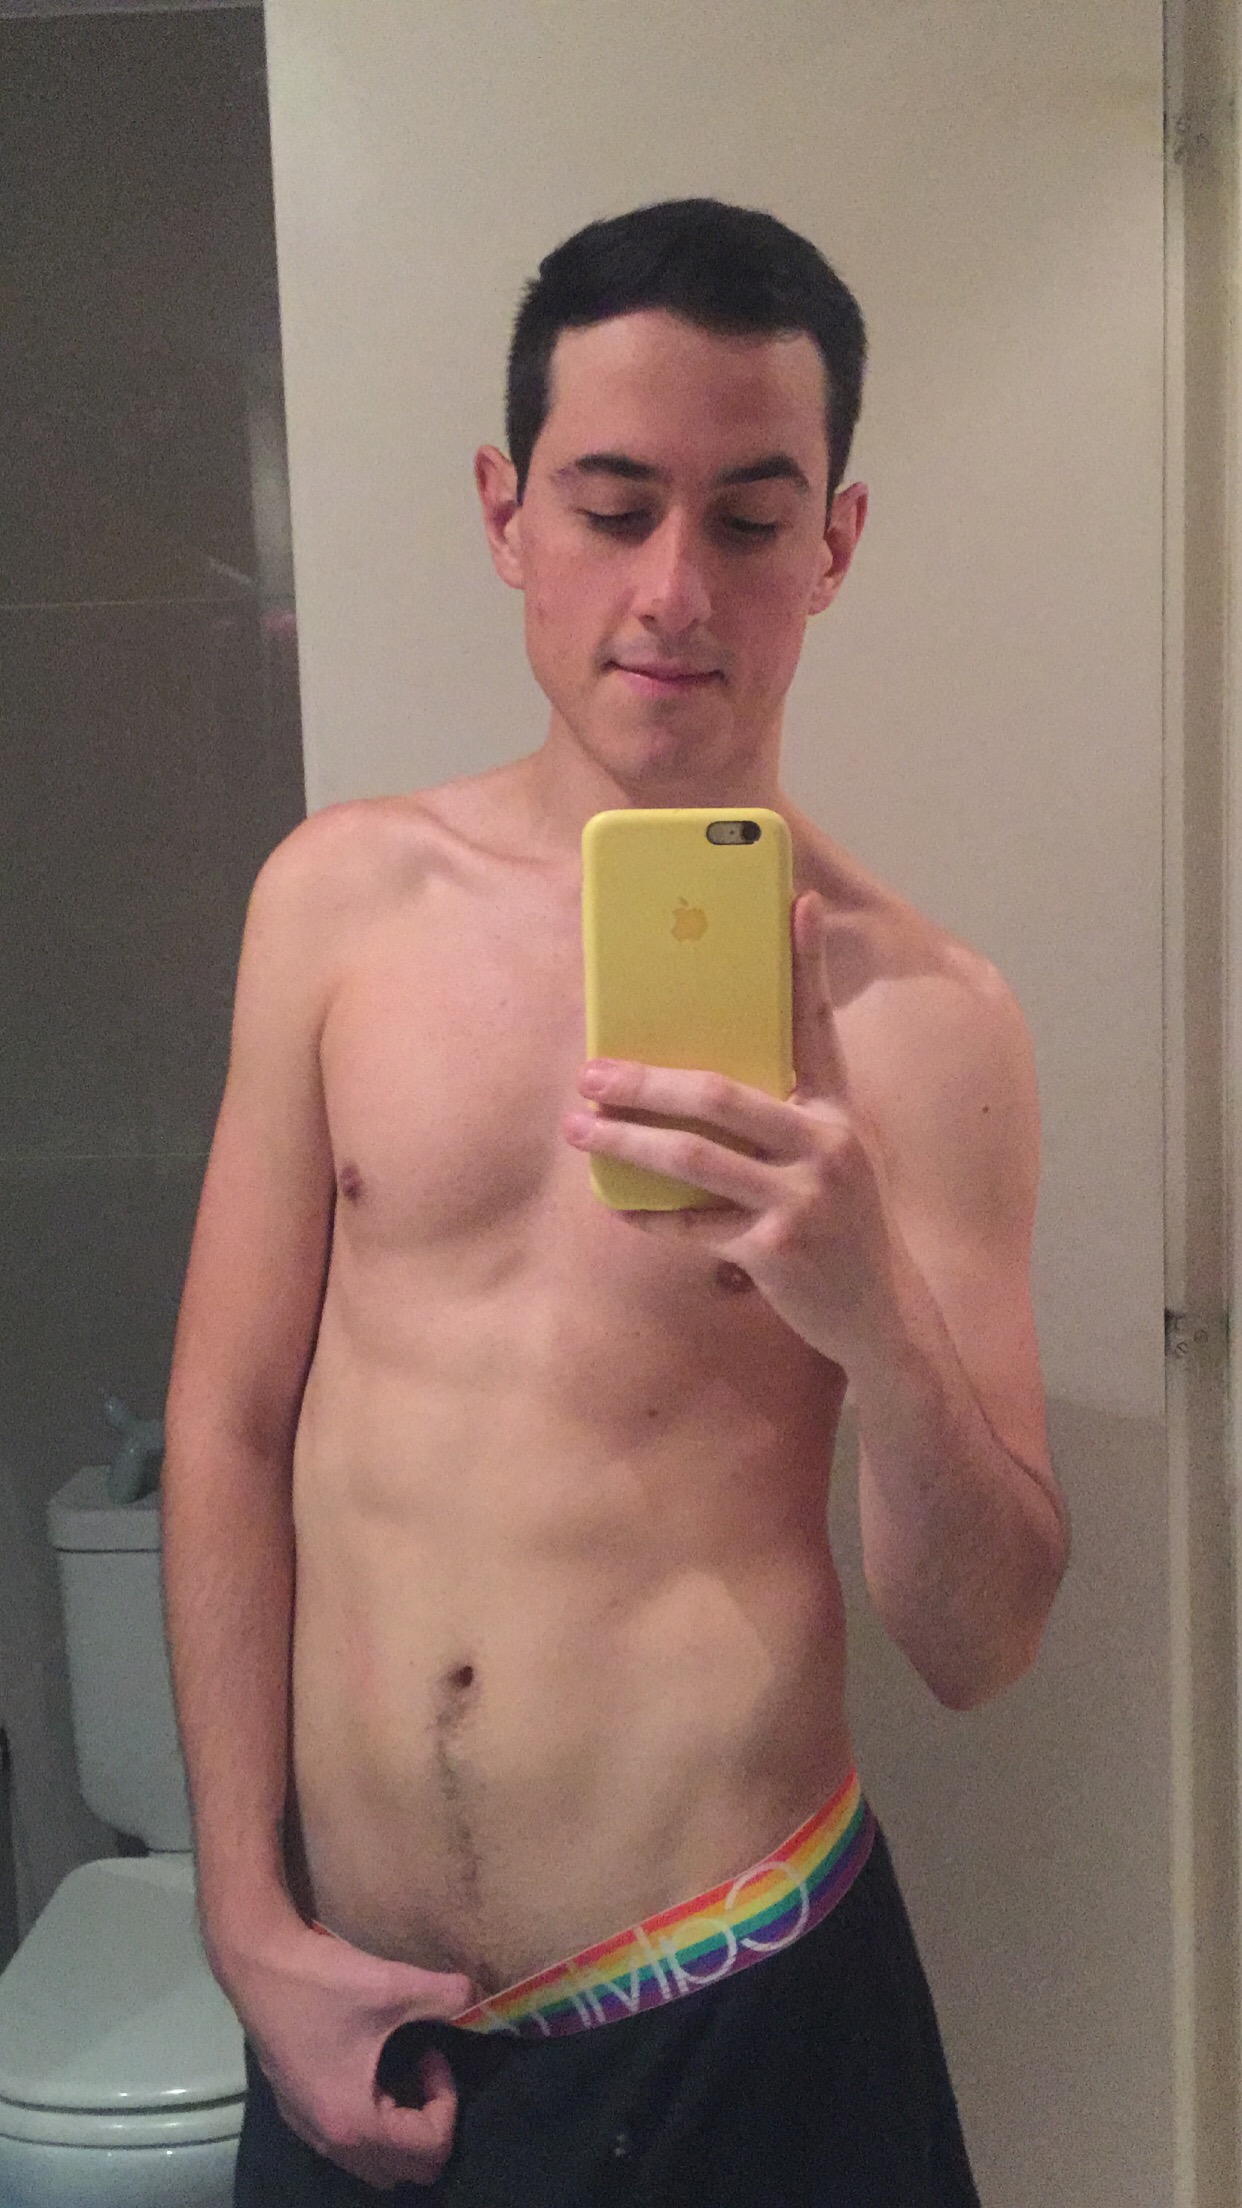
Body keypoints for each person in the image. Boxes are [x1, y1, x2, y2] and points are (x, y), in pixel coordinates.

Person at [163, 198, 1068, 2207]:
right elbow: (225, 1427)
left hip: (740, 2004)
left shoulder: (929, 1025)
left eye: (748, 520)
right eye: (610, 503)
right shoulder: (336, 905)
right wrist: (243, 1918)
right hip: (349, 2007)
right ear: (508, 515)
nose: (673, 589)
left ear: (832, 545)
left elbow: (982, 1640)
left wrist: (871, 1313)